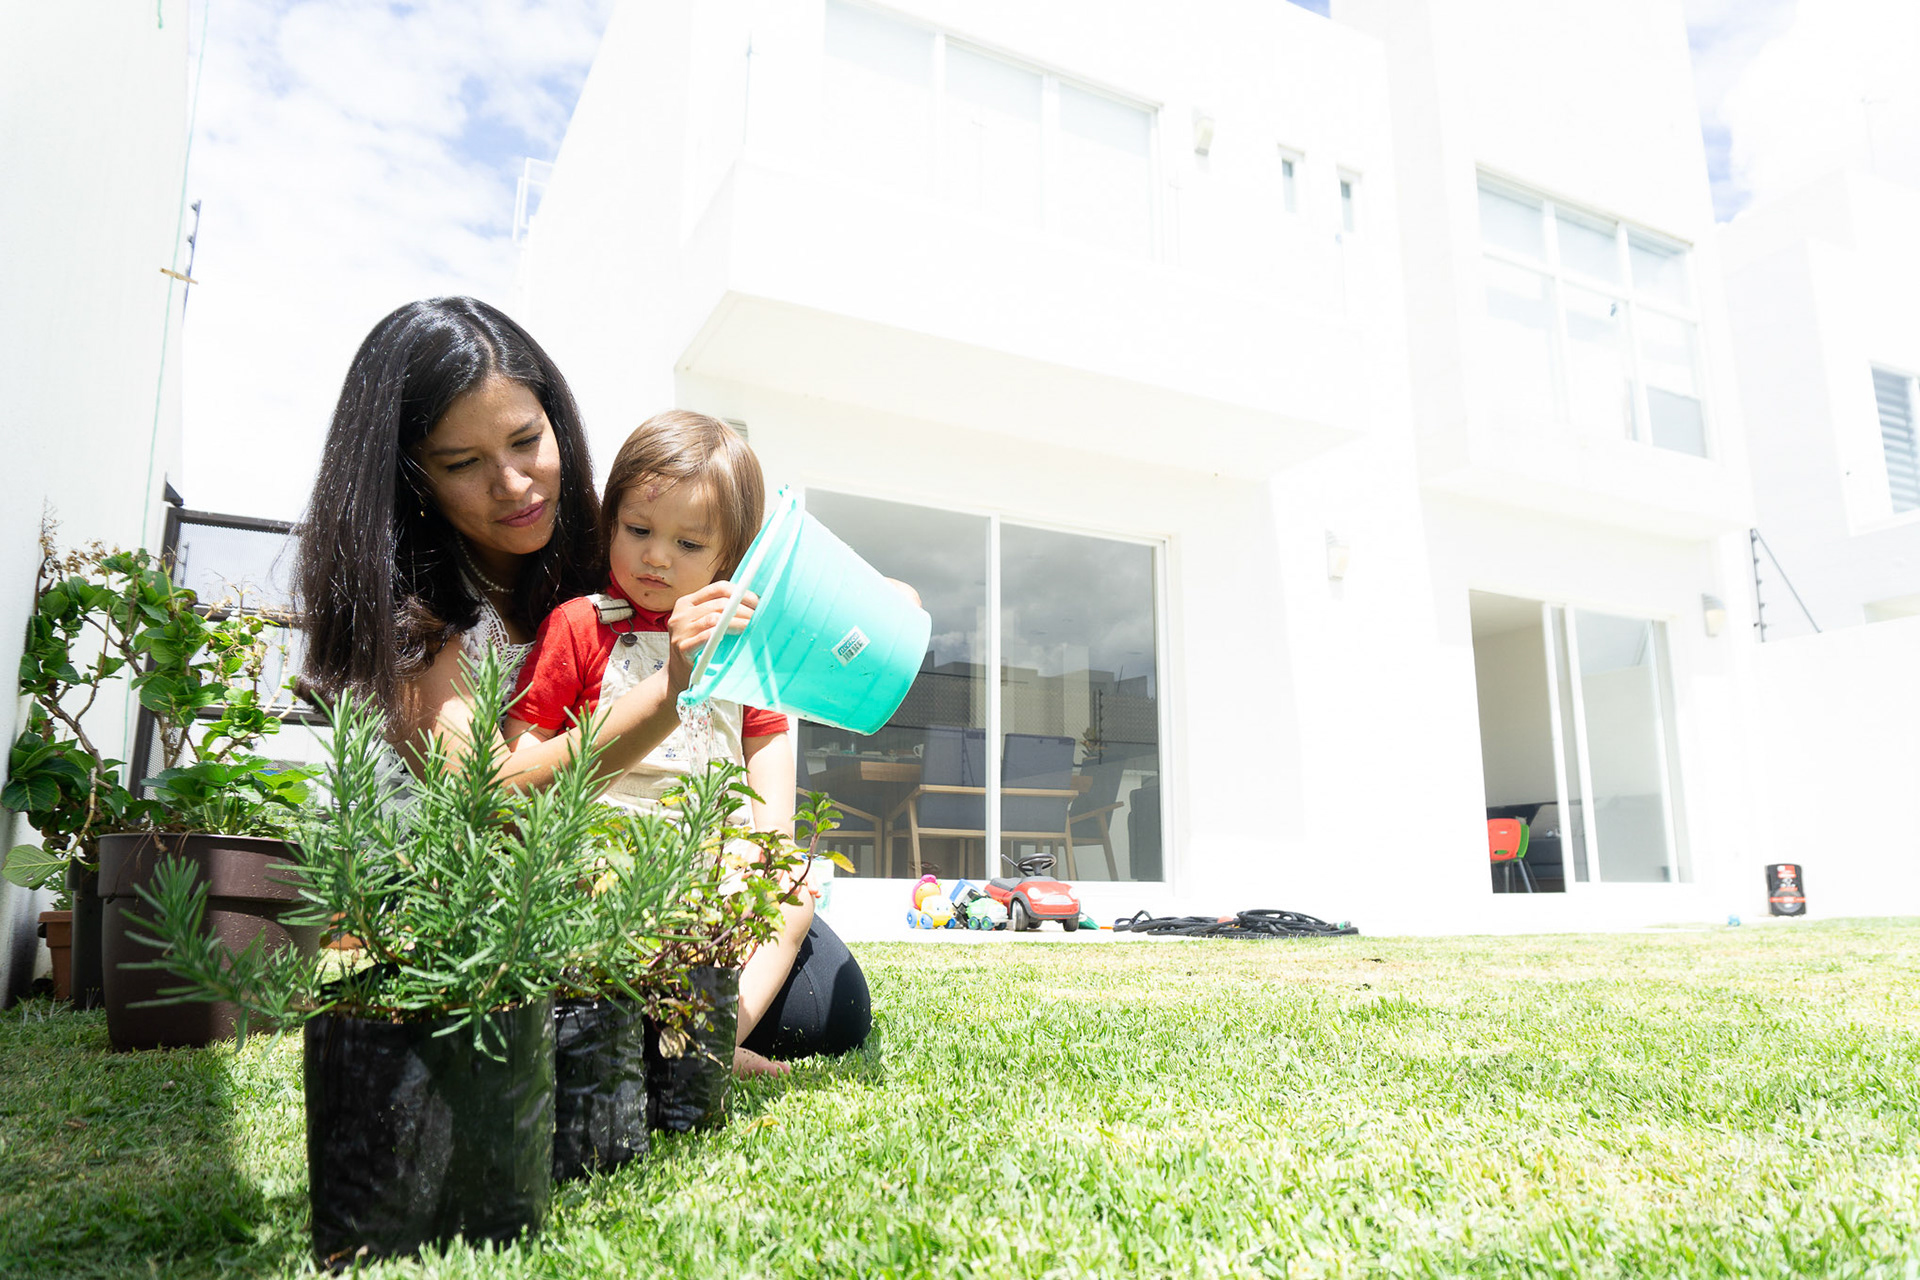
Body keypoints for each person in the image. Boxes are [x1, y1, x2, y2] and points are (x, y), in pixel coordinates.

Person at [295, 298, 870, 1070]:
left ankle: (689, 1031)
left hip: (686, 854)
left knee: (832, 1004)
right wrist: (669, 692)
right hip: (521, 877)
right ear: (411, 478)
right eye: (463, 463)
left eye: (528, 441)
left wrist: (865, 610)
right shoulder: (417, 616)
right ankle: (666, 1035)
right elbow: (489, 796)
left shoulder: (621, 548)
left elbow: (742, 600)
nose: (513, 483)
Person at [503, 410, 871, 1067]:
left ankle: (710, 1045)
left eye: (689, 544)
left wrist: (773, 846)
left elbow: (765, 738)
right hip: (612, 852)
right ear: (610, 520)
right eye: (638, 529)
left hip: (715, 850)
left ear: (731, 556)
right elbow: (522, 754)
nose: (654, 555)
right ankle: (653, 1035)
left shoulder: (744, 644)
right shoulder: (582, 625)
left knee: (789, 903)